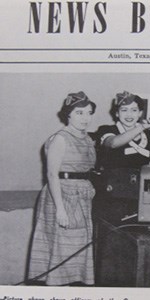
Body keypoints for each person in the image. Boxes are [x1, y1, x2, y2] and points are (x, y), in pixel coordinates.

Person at [28, 91, 97, 286]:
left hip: (81, 197)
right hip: (62, 195)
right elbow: (52, 175)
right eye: (79, 113)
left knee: (77, 249)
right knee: (61, 249)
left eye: (89, 112)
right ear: (68, 114)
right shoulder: (60, 138)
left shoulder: (87, 139)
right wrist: (61, 209)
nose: (85, 118)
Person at [92, 91, 150, 218]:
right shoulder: (107, 130)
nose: (129, 114)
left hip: (140, 196)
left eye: (134, 110)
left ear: (140, 113)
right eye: (124, 110)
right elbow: (113, 143)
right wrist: (140, 127)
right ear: (117, 113)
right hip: (113, 196)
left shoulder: (148, 136)